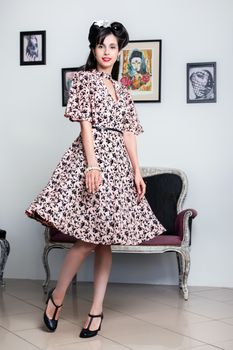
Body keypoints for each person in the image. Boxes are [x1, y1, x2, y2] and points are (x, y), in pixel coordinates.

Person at [25, 19, 166, 338]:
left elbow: (129, 133)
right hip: (93, 160)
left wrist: (135, 170)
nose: (106, 51)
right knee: (89, 238)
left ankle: (96, 310)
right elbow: (85, 125)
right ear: (93, 47)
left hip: (118, 166)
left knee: (104, 240)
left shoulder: (123, 90)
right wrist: (91, 165)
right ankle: (57, 298)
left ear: (120, 52)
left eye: (113, 47)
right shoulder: (85, 81)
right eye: (101, 45)